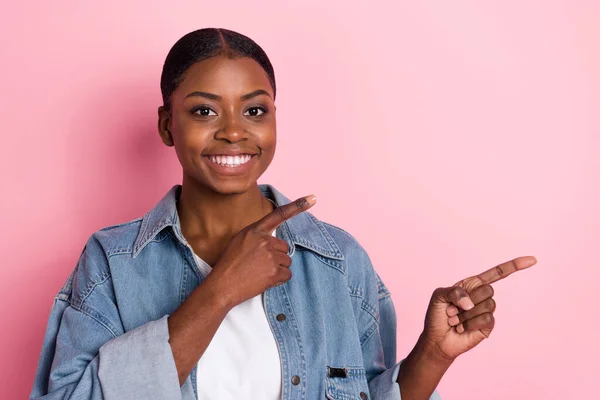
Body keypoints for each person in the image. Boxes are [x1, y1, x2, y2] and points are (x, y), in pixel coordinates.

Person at [30, 28, 537, 400]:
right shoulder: (113, 262)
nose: (233, 131)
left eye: (255, 110)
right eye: (204, 110)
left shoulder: (338, 261)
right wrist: (220, 292)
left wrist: (432, 355)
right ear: (167, 125)